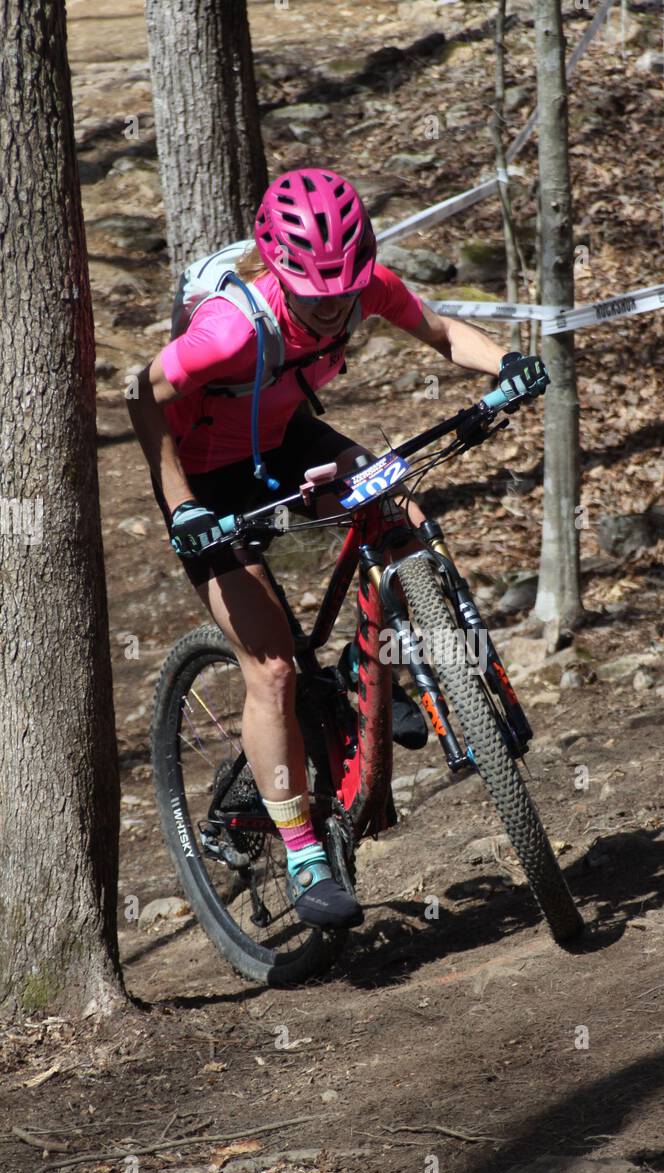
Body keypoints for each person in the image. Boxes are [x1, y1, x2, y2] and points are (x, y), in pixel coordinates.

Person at [129, 167, 549, 931]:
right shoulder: (228, 329)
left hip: (286, 444)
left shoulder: (363, 286)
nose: (332, 312)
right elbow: (143, 393)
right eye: (316, 296)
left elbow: (444, 332)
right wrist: (181, 503)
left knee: (399, 500)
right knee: (274, 667)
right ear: (281, 271)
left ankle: (422, 672)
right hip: (208, 479)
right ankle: (303, 851)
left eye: (344, 294)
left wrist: (507, 368)